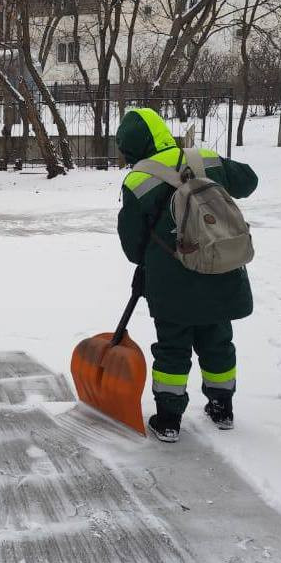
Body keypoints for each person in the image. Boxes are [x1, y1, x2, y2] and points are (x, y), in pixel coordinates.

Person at [115, 107, 258, 443]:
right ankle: (222, 408)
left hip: (170, 284)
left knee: (171, 349)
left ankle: (168, 419)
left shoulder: (137, 181)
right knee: (218, 341)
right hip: (219, 268)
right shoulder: (205, 158)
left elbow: (132, 245)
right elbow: (249, 181)